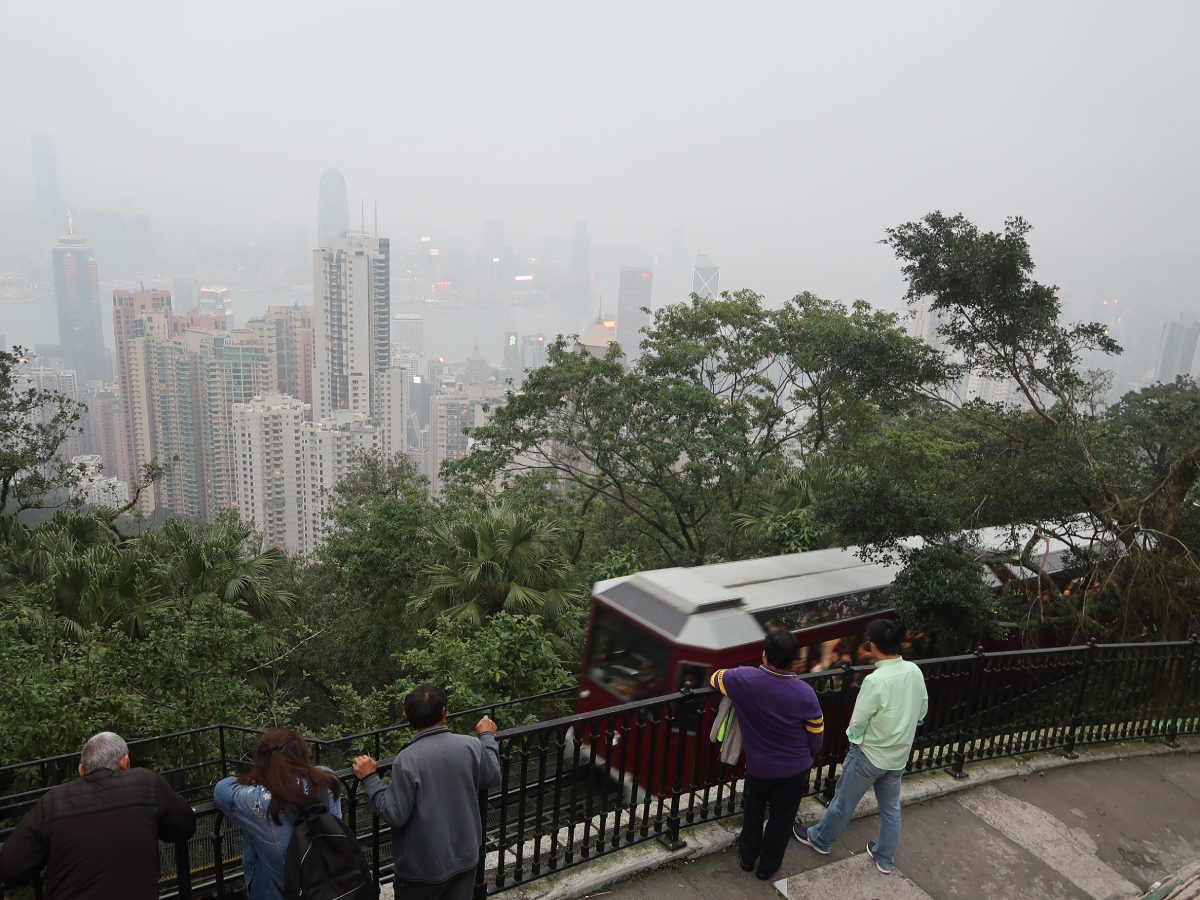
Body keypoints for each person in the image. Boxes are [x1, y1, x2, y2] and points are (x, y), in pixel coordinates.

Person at [794, 618, 928, 875]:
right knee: (891, 809)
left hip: (870, 755)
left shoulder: (876, 680)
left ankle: (820, 840)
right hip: (898, 756)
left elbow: (857, 722)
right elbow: (922, 709)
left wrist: (855, 742)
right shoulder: (914, 671)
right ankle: (884, 857)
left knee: (844, 802)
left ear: (874, 645)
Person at [0, 731, 195, 900]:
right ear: (125, 762)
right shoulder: (145, 783)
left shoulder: (54, 801)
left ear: (81, 770)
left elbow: (9, 867)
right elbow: (185, 825)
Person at [352, 685, 502, 900]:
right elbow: (492, 776)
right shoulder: (470, 746)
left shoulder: (408, 760)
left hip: (422, 869)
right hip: (465, 856)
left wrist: (370, 778)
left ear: (409, 718)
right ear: (443, 712)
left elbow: (395, 813)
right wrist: (487, 736)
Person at [708, 631, 825, 882]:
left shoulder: (743, 679)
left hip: (759, 767)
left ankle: (747, 858)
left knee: (753, 810)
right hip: (795, 769)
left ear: (764, 654)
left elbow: (715, 678)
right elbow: (816, 734)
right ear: (794, 660)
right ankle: (767, 867)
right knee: (782, 818)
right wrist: (810, 755)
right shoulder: (806, 693)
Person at [214, 727, 342, 900]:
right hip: (330, 888)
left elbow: (222, 788)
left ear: (262, 761)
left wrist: (259, 779)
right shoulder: (325, 780)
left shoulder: (257, 802)